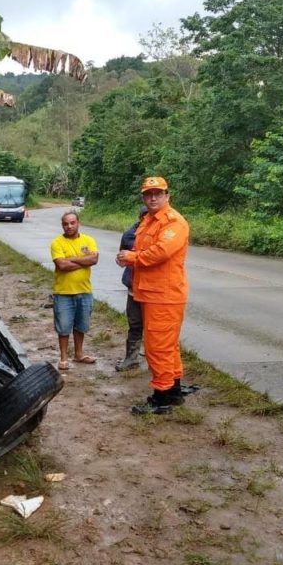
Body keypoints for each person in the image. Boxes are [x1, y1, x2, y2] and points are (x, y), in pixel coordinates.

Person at [115, 176, 189, 414]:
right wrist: (127, 257)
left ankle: (162, 397)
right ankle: (174, 390)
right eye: (148, 194)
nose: (153, 197)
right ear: (143, 197)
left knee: (158, 347)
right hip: (149, 293)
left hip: (165, 296)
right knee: (167, 346)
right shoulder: (147, 221)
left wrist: (132, 258)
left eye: (158, 193)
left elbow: (159, 253)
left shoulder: (174, 222)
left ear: (168, 196)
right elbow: (137, 250)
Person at [51, 212, 99, 371]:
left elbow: (94, 259)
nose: (69, 226)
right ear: (62, 225)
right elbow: (62, 266)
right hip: (63, 292)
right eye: (66, 224)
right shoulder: (57, 243)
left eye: (72, 223)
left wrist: (70, 259)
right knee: (63, 327)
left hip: (85, 291)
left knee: (81, 325)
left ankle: (79, 354)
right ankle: (63, 358)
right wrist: (84, 262)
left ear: (78, 223)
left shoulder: (89, 240)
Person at [116, 206, 148, 372]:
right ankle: (131, 357)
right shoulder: (130, 234)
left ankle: (155, 360)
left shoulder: (163, 233)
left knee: (154, 328)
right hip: (134, 287)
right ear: (140, 217)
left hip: (153, 290)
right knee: (135, 324)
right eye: (145, 216)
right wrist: (122, 259)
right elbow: (122, 256)